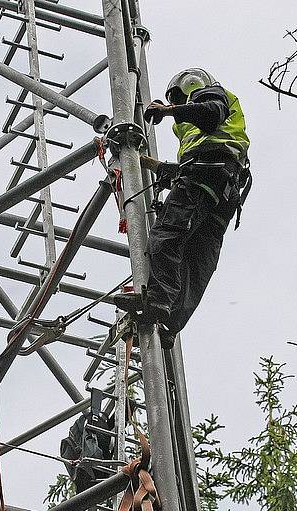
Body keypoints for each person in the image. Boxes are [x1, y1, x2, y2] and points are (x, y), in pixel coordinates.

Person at [115, 68, 251, 348]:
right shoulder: (217, 138)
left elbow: (209, 114)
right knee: (197, 260)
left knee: (166, 236)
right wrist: (155, 166)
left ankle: (158, 302)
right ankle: (171, 323)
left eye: (179, 98)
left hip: (205, 180)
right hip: (223, 190)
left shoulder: (210, 96)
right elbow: (206, 154)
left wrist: (168, 111)